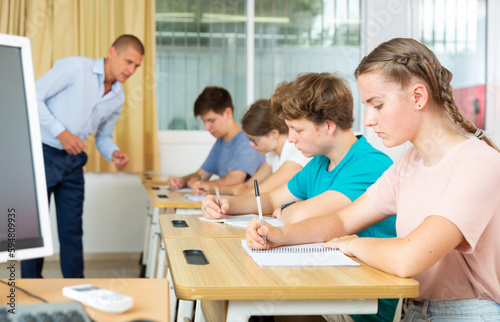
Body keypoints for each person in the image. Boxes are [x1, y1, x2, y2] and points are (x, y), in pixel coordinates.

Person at [246, 38, 500, 322]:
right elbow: (341, 221)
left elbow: (408, 258)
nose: (367, 120)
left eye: (376, 105)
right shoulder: (409, 164)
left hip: (469, 313)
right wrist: (278, 236)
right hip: (416, 311)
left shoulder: (477, 163)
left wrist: (352, 244)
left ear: (418, 97)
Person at [204, 73, 398, 321]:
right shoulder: (319, 161)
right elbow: (273, 200)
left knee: (253, 301)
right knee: (229, 295)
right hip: (323, 284)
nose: (292, 138)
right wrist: (226, 205)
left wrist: (288, 210)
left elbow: (301, 215)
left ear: (328, 125)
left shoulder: (369, 164)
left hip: (355, 303)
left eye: (297, 129)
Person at [21, 35, 144, 278]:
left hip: (73, 163)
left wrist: (114, 153)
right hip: (42, 155)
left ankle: (76, 291)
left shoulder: (118, 97)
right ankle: (30, 289)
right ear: (112, 52)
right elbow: (33, 95)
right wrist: (62, 133)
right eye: (128, 61)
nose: (131, 70)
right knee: (35, 231)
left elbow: (103, 138)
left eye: (137, 66)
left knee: (72, 231)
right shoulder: (77, 68)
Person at [197, 98, 310, 196]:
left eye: (254, 140)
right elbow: (247, 186)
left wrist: (225, 192)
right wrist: (213, 189)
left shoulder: (296, 152)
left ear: (274, 134)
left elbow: (255, 192)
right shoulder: (272, 154)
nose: (251, 145)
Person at [167, 86, 265, 194]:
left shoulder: (248, 141)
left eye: (211, 120)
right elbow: (201, 175)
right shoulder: (221, 140)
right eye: (204, 122)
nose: (207, 128)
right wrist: (182, 180)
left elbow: (234, 180)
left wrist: (200, 184)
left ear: (228, 113)